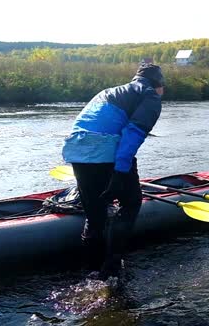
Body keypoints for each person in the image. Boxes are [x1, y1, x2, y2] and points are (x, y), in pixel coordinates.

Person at [62, 63, 165, 279]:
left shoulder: (109, 91)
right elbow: (133, 134)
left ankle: (91, 271)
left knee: (95, 214)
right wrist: (120, 172)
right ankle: (111, 268)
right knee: (131, 202)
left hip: (77, 151)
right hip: (105, 151)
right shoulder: (151, 96)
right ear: (159, 85)